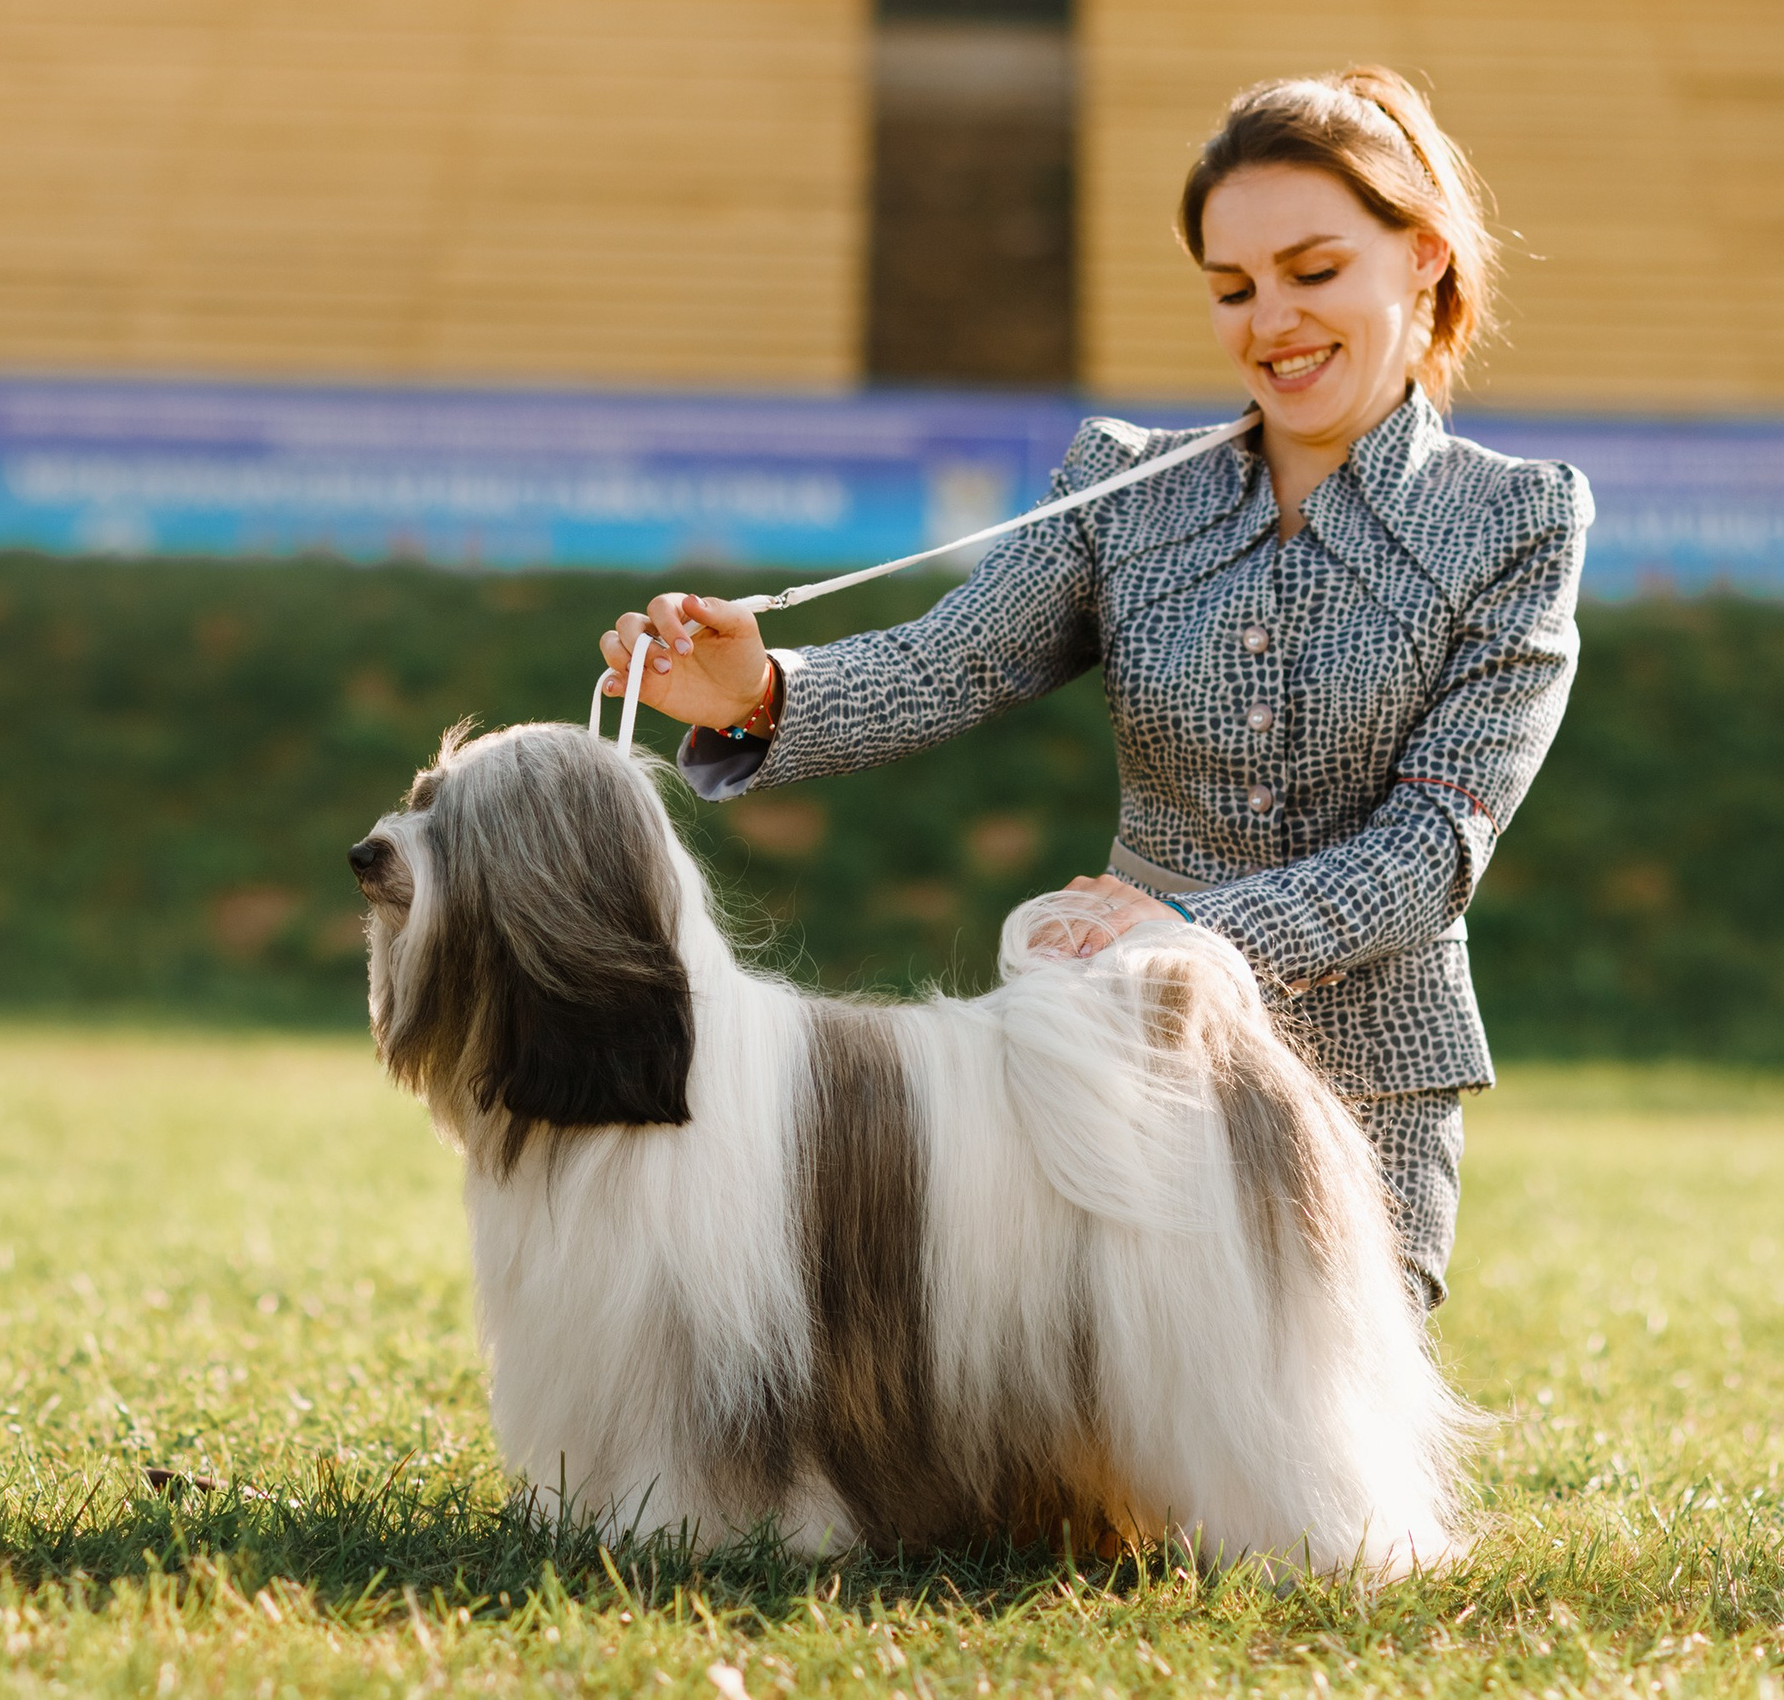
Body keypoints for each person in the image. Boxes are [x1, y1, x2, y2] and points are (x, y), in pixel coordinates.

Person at [597, 67, 1591, 1314]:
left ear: (1424, 257)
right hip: (1115, 1062)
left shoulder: (1520, 517)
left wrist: (1184, 943)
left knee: (1321, 1494)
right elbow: (953, 660)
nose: (1270, 319)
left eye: (1314, 270)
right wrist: (761, 693)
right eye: (1232, 288)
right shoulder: (1117, 484)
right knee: (1082, 1455)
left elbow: (1433, 844)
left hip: (1367, 1082)